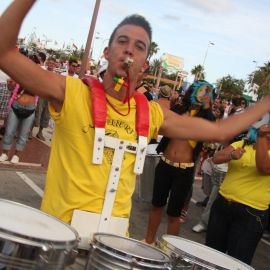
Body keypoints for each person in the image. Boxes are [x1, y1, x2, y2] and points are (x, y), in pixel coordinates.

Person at [0, 0, 270, 244]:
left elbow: (220, 130)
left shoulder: (152, 113)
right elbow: (4, 52)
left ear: (144, 65)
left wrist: (266, 103)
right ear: (106, 52)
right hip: (58, 238)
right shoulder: (72, 92)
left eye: (139, 47)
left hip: (113, 246)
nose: (129, 49)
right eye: (122, 41)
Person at [144, 81, 216, 244]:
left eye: (207, 92)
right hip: (165, 164)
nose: (203, 94)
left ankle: (169, 249)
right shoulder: (178, 110)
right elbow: (162, 120)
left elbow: (212, 127)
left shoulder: (204, 119)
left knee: (174, 214)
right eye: (200, 91)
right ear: (193, 91)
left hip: (184, 170)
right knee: (156, 205)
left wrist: (207, 106)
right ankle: (148, 241)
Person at [205, 123, 270, 265]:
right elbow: (216, 158)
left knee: (237, 261)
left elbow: (264, 167)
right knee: (211, 255)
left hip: (251, 214)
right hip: (223, 205)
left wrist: (261, 137)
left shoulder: (260, 142)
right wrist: (231, 155)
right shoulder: (244, 143)